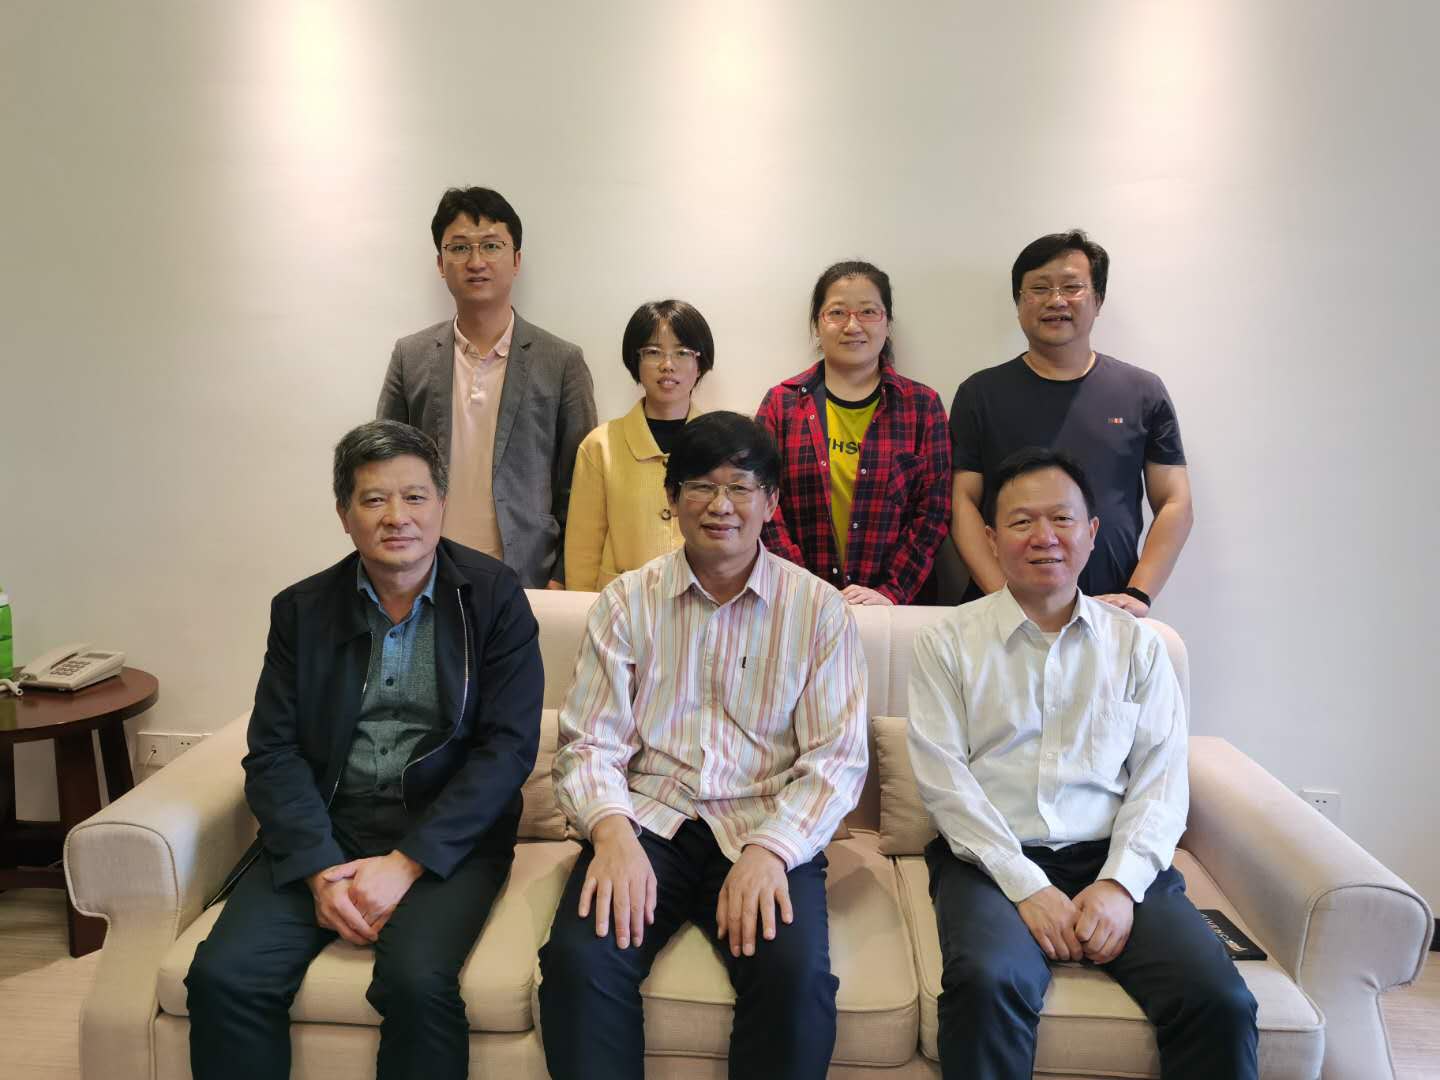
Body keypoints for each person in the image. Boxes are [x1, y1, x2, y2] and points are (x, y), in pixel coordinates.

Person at [185, 420, 544, 1080]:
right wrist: (320, 869)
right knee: (225, 977)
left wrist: (406, 864)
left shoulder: (493, 597)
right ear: (344, 515)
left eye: (415, 497)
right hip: (331, 826)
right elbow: (272, 753)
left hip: (448, 839)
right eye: (374, 499)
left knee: (416, 982)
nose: (396, 517)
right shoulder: (302, 610)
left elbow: (508, 749)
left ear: (440, 504)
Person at [907, 447, 1257, 1080]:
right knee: (987, 984)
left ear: (1091, 532)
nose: (1044, 537)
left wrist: (1120, 885)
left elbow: (1160, 781)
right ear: (991, 538)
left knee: (1220, 1001)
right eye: (1021, 522)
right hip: (990, 860)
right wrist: (1028, 886)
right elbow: (946, 785)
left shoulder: (1137, 646)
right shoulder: (946, 642)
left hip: (1112, 854)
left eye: (1062, 519)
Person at [539, 411, 868, 1080]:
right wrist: (611, 834)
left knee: (795, 980)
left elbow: (836, 761)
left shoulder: (818, 610)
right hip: (647, 823)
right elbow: (589, 743)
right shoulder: (626, 602)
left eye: (741, 487)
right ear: (672, 498)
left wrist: (770, 852)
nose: (721, 506)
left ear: (770, 503)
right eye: (701, 486)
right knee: (580, 963)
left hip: (762, 823)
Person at [949, 230, 1192, 614]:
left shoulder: (1142, 392)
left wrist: (1139, 593)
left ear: (1098, 300)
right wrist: (1004, 599)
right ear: (1018, 303)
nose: (1056, 300)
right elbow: (961, 502)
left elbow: (1175, 500)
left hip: (1110, 609)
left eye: (1072, 287)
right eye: (1039, 288)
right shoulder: (980, 394)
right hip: (999, 615)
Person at [377, 185, 597, 590]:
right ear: (440, 263)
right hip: (427, 570)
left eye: (491, 246)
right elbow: (383, 468)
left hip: (527, 574)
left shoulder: (561, 360)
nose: (476, 261)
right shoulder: (411, 356)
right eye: (459, 248)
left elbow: (582, 484)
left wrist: (564, 573)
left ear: (516, 260)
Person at [757, 260, 950, 606]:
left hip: (896, 611)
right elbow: (761, 504)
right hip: (799, 606)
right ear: (818, 324)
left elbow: (934, 512)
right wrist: (804, 590)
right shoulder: (781, 405)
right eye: (837, 313)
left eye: (868, 312)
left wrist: (891, 592)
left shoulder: (922, 406)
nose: (852, 325)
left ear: (887, 323)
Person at [565, 299, 713, 591]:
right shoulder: (600, 446)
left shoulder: (720, 445)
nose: (667, 365)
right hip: (619, 606)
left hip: (700, 604)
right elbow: (582, 552)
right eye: (653, 352)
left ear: (700, 364)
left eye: (682, 352)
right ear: (636, 361)